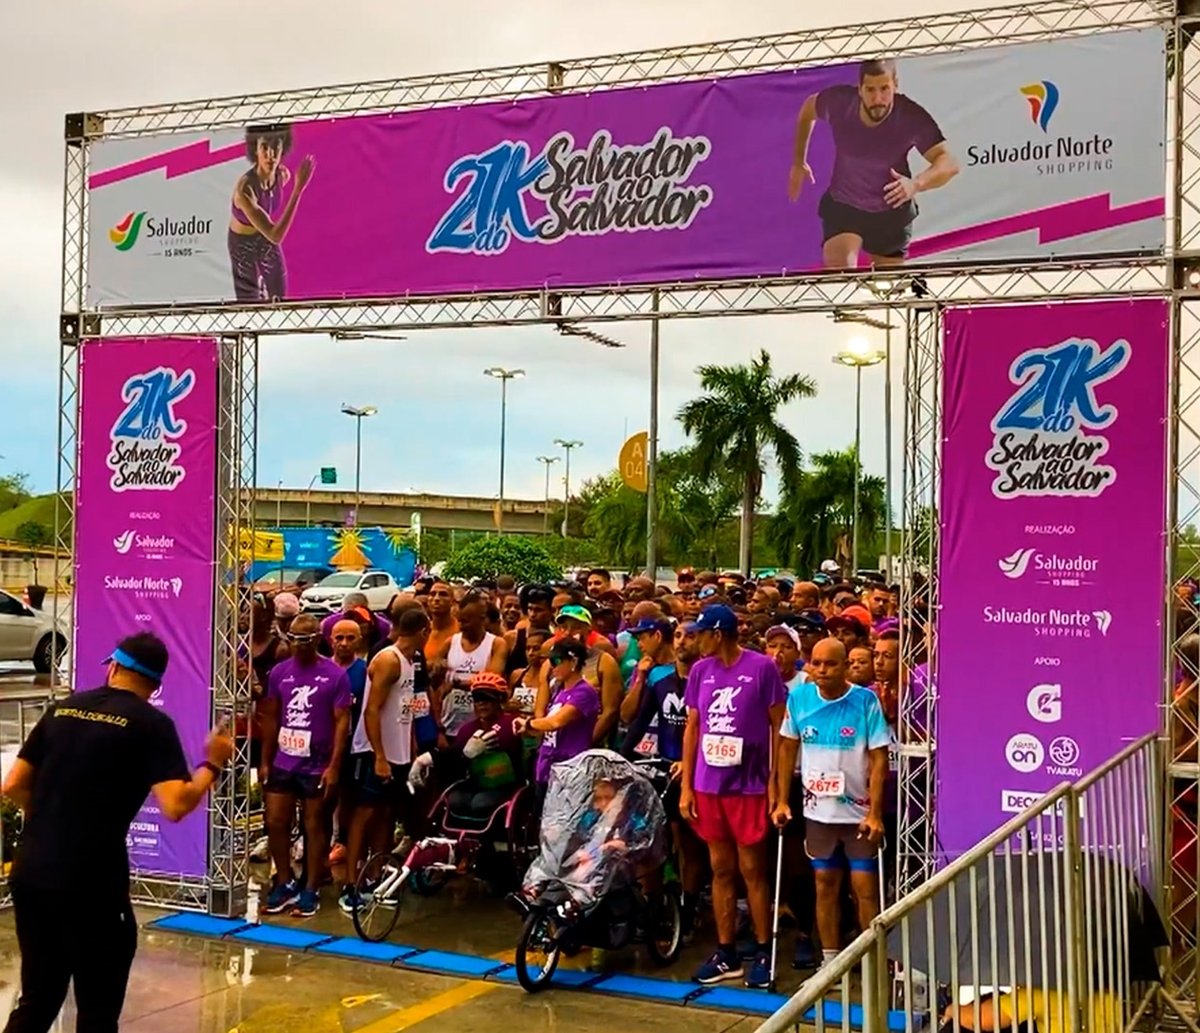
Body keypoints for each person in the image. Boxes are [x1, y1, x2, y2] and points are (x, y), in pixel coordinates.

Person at [1, 633, 233, 1033]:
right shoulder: (151, 724)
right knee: (98, 1008)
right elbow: (176, 804)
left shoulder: (62, 710)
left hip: (33, 870)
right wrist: (212, 764)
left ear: (112, 667)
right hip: (91, 882)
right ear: (156, 684)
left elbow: (14, 784)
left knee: (38, 998)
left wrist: (52, 818)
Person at [680, 604, 787, 989]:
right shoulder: (699, 671)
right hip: (710, 785)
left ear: (719, 633)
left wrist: (776, 785)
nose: (694, 640)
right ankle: (726, 951)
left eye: (700, 634)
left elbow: (780, 727)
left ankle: (762, 948)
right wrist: (686, 785)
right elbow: (693, 728)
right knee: (720, 869)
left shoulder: (761, 668)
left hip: (750, 785)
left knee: (752, 870)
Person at [773, 638, 889, 968]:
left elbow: (879, 758)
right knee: (825, 884)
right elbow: (787, 749)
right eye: (817, 663)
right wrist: (782, 800)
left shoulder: (865, 701)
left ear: (845, 667)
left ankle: (873, 961)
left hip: (857, 814)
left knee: (863, 887)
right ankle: (830, 962)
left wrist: (875, 812)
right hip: (818, 813)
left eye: (831, 664)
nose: (822, 670)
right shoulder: (799, 698)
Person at [787, 57, 958, 269]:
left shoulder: (910, 116)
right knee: (841, 279)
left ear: (895, 85)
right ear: (859, 89)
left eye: (885, 89)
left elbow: (948, 162)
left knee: (888, 291)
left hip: (891, 211)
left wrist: (915, 184)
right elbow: (808, 110)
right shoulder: (840, 102)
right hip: (845, 206)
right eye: (870, 90)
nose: (878, 99)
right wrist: (798, 161)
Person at [259, 614, 353, 917]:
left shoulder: (335, 674)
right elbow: (272, 717)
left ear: (317, 639)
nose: (299, 645)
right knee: (275, 820)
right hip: (284, 760)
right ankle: (284, 882)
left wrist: (334, 766)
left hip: (317, 763)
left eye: (306, 639)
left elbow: (342, 723)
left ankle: (311, 887)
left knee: (314, 824)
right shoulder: (279, 673)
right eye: (294, 638)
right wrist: (265, 760)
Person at [340, 606, 430, 914]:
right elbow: (371, 710)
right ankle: (350, 884)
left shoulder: (411, 661)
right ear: (422, 631)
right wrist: (379, 756)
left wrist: (411, 748)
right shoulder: (389, 660)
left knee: (386, 815)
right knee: (364, 815)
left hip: (399, 751)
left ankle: (374, 877)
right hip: (375, 752)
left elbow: (406, 709)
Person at [409, 671, 523, 817]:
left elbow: (505, 737)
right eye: (477, 698)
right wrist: (423, 760)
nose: (481, 703)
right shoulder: (467, 729)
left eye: (487, 698)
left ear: (499, 700)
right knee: (455, 801)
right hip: (477, 782)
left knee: (480, 804)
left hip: (505, 783)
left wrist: (476, 748)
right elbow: (454, 754)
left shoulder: (511, 723)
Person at [228, 125, 315, 302]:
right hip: (242, 245)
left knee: (279, 294)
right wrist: (298, 190)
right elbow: (275, 235)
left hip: (263, 238)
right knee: (248, 303)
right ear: (256, 150)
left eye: (276, 147)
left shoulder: (281, 174)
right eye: (265, 147)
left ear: (283, 149)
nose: (270, 154)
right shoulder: (245, 190)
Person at [516, 638, 600, 809]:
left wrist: (529, 724)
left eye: (556, 661)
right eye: (550, 661)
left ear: (573, 661)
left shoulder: (584, 692)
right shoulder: (559, 691)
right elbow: (547, 729)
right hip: (547, 766)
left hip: (569, 769)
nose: (552, 666)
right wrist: (527, 729)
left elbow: (556, 721)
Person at [433, 590, 508, 738]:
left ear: (481, 619)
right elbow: (434, 680)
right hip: (450, 722)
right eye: (459, 620)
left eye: (466, 621)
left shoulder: (496, 644)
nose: (461, 625)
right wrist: (436, 669)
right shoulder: (451, 642)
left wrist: (456, 683)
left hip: (482, 726)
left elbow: (490, 682)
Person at [328, 618, 369, 868]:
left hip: (354, 745)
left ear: (359, 640)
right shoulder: (322, 669)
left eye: (350, 638)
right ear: (330, 640)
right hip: (322, 745)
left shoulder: (365, 672)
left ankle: (344, 841)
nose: (344, 643)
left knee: (349, 796)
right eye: (339, 638)